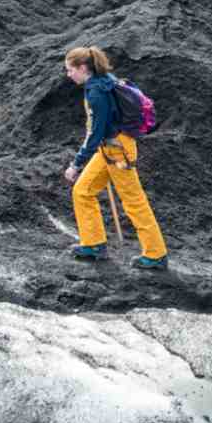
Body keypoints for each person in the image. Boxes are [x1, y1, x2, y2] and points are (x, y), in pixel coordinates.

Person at [63, 46, 168, 268]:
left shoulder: (96, 92)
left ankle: (156, 254)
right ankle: (93, 244)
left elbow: (96, 132)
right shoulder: (104, 80)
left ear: (83, 68)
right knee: (83, 191)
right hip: (110, 149)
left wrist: (76, 164)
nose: (68, 75)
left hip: (117, 151)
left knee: (134, 202)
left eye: (70, 70)